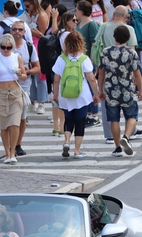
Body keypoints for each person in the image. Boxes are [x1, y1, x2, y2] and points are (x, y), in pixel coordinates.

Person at [95, 5, 142, 144]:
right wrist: (140, 90)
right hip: (127, 87)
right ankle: (127, 136)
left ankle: (116, 145)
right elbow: (137, 73)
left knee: (113, 118)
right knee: (132, 115)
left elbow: (101, 73)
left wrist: (100, 90)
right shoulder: (131, 53)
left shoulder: (105, 52)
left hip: (111, 88)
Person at [52, 30, 100, 159]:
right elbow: (91, 79)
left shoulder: (61, 59)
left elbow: (56, 80)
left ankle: (66, 141)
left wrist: (55, 95)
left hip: (65, 95)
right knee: (79, 122)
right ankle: (77, 150)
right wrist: (96, 94)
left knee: (69, 119)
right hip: (81, 95)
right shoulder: (84, 59)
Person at [0, 33, 28, 164]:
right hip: (1, 93)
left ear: (12, 47)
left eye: (8, 47)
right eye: (3, 47)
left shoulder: (17, 57)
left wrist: (20, 74)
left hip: (15, 93)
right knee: (4, 125)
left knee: (15, 124)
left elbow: (24, 77)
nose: (5, 50)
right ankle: (7, 153)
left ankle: (12, 152)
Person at [8, 20, 41, 157]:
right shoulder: (5, 45)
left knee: (22, 118)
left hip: (24, 87)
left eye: (20, 30)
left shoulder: (29, 47)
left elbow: (37, 68)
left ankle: (17, 145)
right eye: (14, 29)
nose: (17, 32)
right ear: (10, 31)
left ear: (24, 32)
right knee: (10, 118)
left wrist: (27, 72)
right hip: (8, 86)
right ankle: (10, 145)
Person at [49, 10, 76, 137]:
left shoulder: (60, 32)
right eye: (74, 20)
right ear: (67, 21)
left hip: (57, 64)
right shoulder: (67, 35)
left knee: (56, 95)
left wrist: (54, 18)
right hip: (65, 66)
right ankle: (62, 125)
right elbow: (68, 50)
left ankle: (56, 126)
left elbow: (54, 31)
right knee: (61, 96)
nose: (76, 23)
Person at [75, 0, 101, 128]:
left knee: (91, 86)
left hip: (87, 60)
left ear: (82, 11)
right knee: (85, 87)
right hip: (79, 60)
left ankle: (95, 114)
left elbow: (94, 44)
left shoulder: (91, 25)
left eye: (76, 9)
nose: (75, 12)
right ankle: (89, 113)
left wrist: (91, 60)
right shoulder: (79, 24)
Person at [23, 0, 49, 115]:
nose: (27, 8)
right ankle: (32, 100)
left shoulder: (41, 15)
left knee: (40, 75)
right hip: (29, 45)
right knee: (31, 74)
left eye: (28, 6)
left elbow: (42, 34)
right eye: (25, 6)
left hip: (39, 45)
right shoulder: (29, 14)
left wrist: (28, 30)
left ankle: (42, 102)